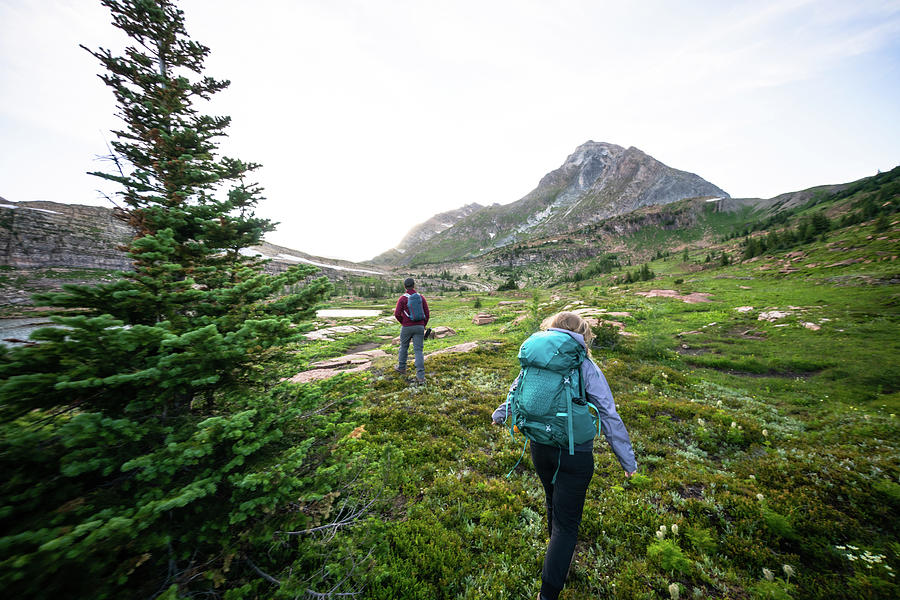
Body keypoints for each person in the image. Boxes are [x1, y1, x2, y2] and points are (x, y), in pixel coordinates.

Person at [492, 311, 637, 600]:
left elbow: (516, 388)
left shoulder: (537, 358)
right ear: (583, 334)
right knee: (567, 526)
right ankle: (549, 592)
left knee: (552, 504)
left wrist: (500, 414)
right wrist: (627, 461)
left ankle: (556, 559)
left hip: (539, 446)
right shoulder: (582, 362)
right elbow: (608, 413)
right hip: (574, 453)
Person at [393, 277, 429, 384]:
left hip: (406, 327)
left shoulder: (402, 299)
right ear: (414, 285)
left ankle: (402, 367)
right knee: (418, 351)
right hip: (419, 327)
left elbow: (397, 314)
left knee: (404, 347)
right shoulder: (421, 297)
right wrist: (423, 325)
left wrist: (404, 323)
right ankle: (421, 376)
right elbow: (427, 313)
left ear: (405, 286)